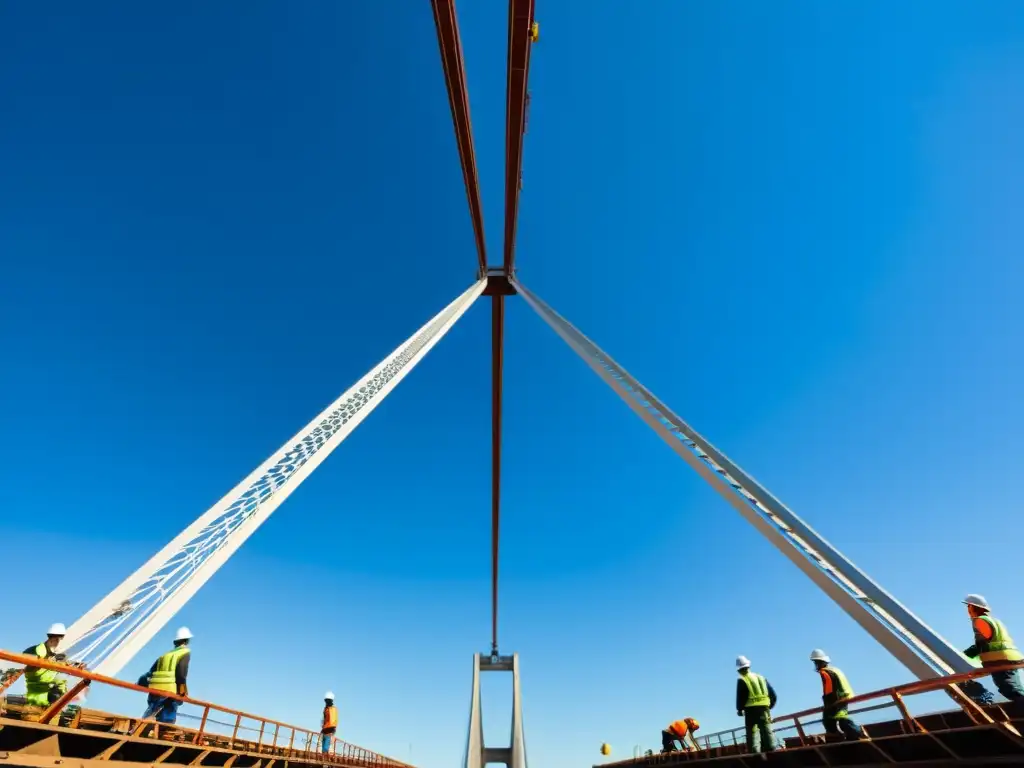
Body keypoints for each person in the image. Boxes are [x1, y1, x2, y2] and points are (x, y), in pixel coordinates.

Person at [961, 594, 1024, 706]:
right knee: (1013, 688)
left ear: (973, 607)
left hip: (1000, 660)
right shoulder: (995, 621)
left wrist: (965, 655)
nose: (968, 610)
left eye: (968, 606)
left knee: (1011, 690)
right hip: (1011, 657)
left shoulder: (979, 621)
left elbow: (983, 642)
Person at [140, 627, 192, 724]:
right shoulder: (185, 652)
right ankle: (163, 728)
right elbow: (181, 675)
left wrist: (140, 682)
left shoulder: (165, 655)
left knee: (152, 710)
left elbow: (151, 672)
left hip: (154, 689)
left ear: (175, 642)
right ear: (187, 641)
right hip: (169, 689)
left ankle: (142, 725)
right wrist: (183, 692)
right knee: (169, 711)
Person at [810, 649, 864, 740]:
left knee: (837, 720)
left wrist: (828, 704)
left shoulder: (825, 672)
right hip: (845, 696)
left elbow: (829, 691)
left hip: (840, 699)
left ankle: (858, 732)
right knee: (834, 719)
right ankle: (843, 735)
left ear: (820, 662)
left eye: (816, 662)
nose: (816, 665)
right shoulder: (834, 669)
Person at [735, 655, 777, 753]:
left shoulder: (742, 679)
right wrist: (770, 706)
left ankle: (754, 753)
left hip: (750, 710)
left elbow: (741, 696)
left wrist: (739, 709)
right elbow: (773, 695)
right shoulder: (761, 678)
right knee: (766, 729)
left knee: (752, 732)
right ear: (749, 666)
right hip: (764, 708)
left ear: (739, 669)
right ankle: (771, 750)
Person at [23, 624, 69, 707]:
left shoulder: (58, 655)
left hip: (52, 694)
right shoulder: (35, 650)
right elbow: (27, 670)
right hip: (38, 694)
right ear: (56, 638)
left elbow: (62, 678)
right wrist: (47, 663)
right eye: (59, 639)